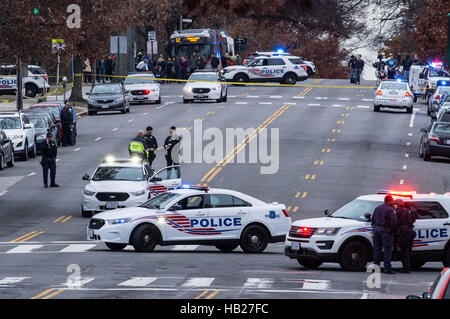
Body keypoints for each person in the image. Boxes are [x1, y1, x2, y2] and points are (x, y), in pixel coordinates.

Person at [372, 195, 397, 274]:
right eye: (392, 200)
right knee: (387, 249)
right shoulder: (390, 210)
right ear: (389, 201)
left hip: (377, 229)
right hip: (386, 230)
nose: (393, 202)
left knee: (377, 249)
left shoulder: (378, 208)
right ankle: (387, 267)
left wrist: (374, 227)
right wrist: (392, 231)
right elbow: (394, 222)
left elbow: (373, 219)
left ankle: (376, 267)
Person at [393, 199, 416, 273]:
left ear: (398, 204)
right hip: (410, 232)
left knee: (404, 251)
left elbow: (395, 222)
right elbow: (413, 220)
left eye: (395, 204)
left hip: (403, 233)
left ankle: (406, 269)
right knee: (408, 251)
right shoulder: (408, 211)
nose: (394, 205)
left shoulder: (398, 212)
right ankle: (407, 268)